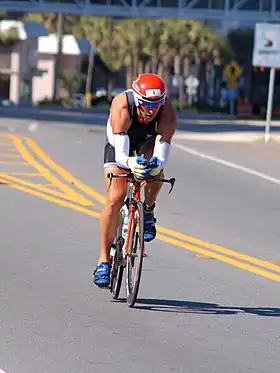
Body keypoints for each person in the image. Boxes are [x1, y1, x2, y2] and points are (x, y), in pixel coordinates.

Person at [93, 73, 177, 287]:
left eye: (156, 104)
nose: (151, 110)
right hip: (119, 142)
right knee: (115, 198)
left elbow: (163, 147)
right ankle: (103, 260)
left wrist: (156, 165)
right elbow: (121, 153)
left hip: (147, 142)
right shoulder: (122, 105)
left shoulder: (167, 112)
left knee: (156, 170)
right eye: (147, 104)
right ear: (137, 99)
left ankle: (147, 210)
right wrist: (130, 163)